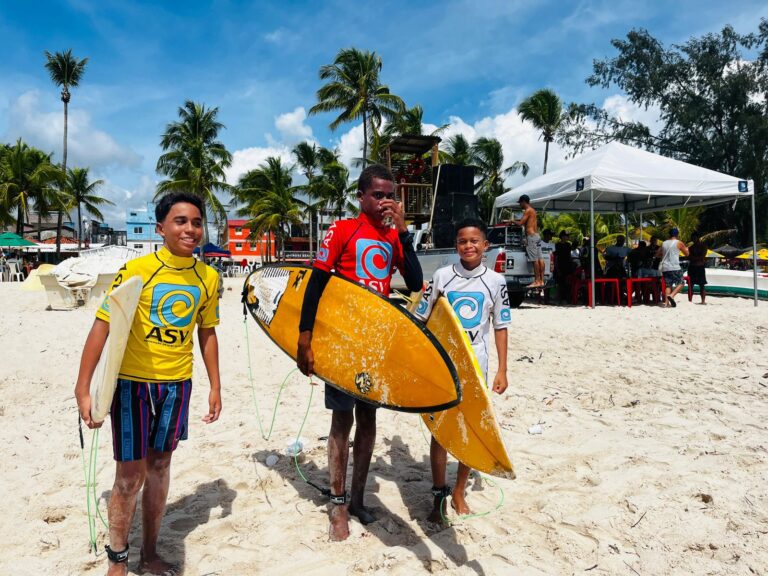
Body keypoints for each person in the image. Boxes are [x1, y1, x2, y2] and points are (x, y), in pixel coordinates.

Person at [74, 192, 222, 576]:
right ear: (160, 229)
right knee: (129, 475)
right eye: (180, 221)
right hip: (132, 384)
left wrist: (215, 386)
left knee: (160, 466)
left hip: (177, 385)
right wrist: (83, 387)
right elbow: (103, 325)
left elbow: (207, 332)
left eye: (195, 222)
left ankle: (150, 552)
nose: (189, 229)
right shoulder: (137, 269)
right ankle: (118, 560)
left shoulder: (208, 277)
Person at [296, 164, 423, 541]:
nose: (386, 201)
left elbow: (415, 283)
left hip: (376, 341)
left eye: (391, 196)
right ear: (362, 197)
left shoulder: (393, 236)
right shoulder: (342, 229)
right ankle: (336, 504)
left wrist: (403, 233)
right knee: (341, 420)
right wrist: (306, 335)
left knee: (369, 420)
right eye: (379, 195)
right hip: (343, 340)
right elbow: (316, 283)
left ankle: (358, 498)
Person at [413, 218, 511, 523]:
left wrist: (502, 369)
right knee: (441, 430)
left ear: (485, 245)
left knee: (469, 429)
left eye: (474, 241)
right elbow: (421, 317)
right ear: (456, 245)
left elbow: (500, 326)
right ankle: (439, 494)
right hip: (443, 364)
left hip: (475, 366)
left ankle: (458, 490)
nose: (468, 246)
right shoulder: (442, 276)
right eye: (462, 241)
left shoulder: (495, 282)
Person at [512, 194, 544, 288]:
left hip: (531, 236)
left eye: (520, 203)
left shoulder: (528, 210)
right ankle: (541, 280)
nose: (520, 205)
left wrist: (512, 221)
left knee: (534, 260)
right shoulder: (533, 211)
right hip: (536, 235)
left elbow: (520, 223)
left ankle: (537, 281)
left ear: (523, 202)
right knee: (540, 258)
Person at [658, 227, 689, 307]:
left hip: (665, 267)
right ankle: (672, 295)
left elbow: (658, 253)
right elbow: (687, 254)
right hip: (674, 266)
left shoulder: (664, 243)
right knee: (681, 282)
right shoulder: (679, 243)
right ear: (677, 235)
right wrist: (687, 249)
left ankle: (666, 303)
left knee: (668, 285)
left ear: (669, 234)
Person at [687, 231, 708, 304]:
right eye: (692, 238)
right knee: (691, 285)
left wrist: (694, 258)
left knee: (702, 285)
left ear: (698, 238)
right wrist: (697, 258)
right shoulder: (690, 248)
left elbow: (702, 256)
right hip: (693, 267)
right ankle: (690, 301)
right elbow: (689, 257)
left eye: (694, 238)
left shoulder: (703, 246)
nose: (693, 239)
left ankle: (703, 301)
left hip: (699, 267)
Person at [554, 230, 573, 302]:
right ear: (562, 237)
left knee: (568, 283)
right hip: (560, 266)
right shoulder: (557, 245)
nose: (568, 237)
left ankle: (568, 299)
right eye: (566, 236)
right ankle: (559, 299)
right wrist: (557, 268)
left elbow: (569, 256)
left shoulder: (568, 245)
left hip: (568, 266)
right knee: (560, 284)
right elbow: (556, 257)